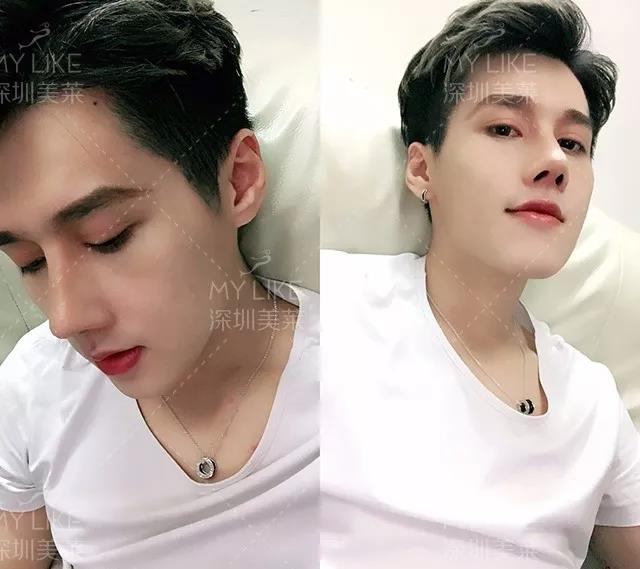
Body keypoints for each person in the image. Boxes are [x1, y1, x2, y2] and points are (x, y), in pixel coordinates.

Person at [321, 0, 639, 567]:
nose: (554, 161)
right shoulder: (326, 314)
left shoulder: (594, 402)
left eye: (573, 143)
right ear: (422, 169)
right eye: (504, 128)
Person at [0, 1, 318, 567]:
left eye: (108, 237)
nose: (65, 319)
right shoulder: (31, 390)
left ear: (238, 181)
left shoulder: (377, 378)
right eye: (30, 262)